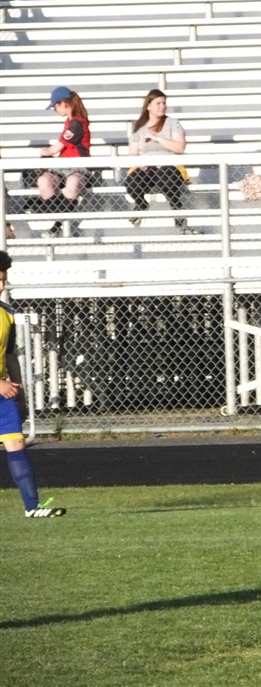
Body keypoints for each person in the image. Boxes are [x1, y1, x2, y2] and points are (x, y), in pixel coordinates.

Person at [0, 251, 66, 518]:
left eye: (3, 280)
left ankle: (32, 507)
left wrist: (20, 393)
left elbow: (9, 356)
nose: (1, 286)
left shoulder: (6, 314)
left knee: (16, 444)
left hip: (3, 393)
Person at [126, 89, 198, 235]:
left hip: (170, 165)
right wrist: (139, 162)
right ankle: (141, 204)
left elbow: (180, 147)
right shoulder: (139, 127)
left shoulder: (172, 123)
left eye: (164, 103)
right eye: (158, 103)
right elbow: (133, 153)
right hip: (148, 166)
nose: (162, 106)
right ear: (148, 106)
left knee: (165, 176)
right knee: (131, 181)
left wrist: (157, 138)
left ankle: (179, 215)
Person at [36, 86, 90, 238]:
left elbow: (56, 148)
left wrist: (44, 152)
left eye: (56, 106)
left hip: (78, 167)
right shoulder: (70, 121)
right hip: (62, 167)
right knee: (43, 181)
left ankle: (56, 226)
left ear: (64, 103)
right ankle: (58, 220)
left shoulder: (77, 123)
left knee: (73, 183)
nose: (55, 110)